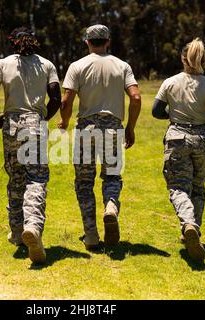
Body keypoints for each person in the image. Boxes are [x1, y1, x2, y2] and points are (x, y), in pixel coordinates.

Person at [0, 27, 61, 264]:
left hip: (11, 125)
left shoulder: (2, 64)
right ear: (33, 42)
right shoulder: (47, 65)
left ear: (13, 43)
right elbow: (55, 97)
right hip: (35, 124)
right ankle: (33, 227)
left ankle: (17, 232)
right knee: (36, 178)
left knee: (15, 178)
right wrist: (44, 118)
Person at [60, 24, 141, 250]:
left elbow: (66, 101)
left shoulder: (77, 66)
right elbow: (135, 97)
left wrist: (65, 122)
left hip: (86, 128)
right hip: (113, 127)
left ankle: (92, 235)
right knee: (112, 177)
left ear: (87, 42)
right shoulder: (122, 66)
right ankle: (111, 207)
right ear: (108, 41)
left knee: (84, 183)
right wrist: (130, 127)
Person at [152, 38, 205, 262]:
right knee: (198, 187)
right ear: (204, 60)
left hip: (177, 138)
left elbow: (156, 111)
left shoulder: (170, 82)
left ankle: (188, 224)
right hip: (202, 138)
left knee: (178, 188)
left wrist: (172, 116)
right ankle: (194, 230)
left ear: (182, 59)